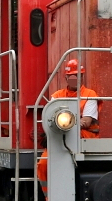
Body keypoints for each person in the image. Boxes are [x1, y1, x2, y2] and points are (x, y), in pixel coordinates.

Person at [37, 59, 99, 191]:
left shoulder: (90, 95)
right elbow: (50, 119)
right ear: (66, 77)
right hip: (60, 139)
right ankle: (49, 198)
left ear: (82, 77)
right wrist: (75, 122)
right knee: (43, 164)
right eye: (71, 76)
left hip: (84, 140)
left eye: (77, 75)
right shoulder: (57, 96)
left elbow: (87, 121)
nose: (74, 78)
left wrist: (65, 123)